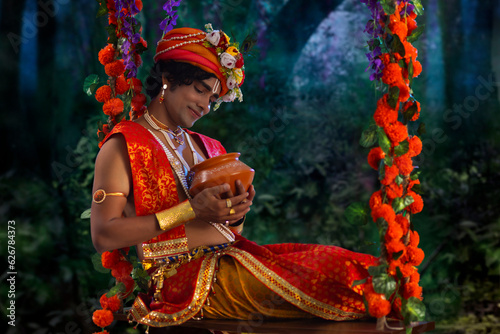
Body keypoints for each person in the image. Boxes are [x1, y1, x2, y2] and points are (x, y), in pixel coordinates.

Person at [90, 25, 378, 329]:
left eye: (213, 99)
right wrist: (191, 210)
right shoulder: (125, 144)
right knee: (344, 280)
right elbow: (103, 235)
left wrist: (237, 211)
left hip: (235, 257)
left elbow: (231, 232)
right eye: (200, 90)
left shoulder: (210, 147)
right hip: (184, 284)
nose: (205, 106)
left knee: (359, 268)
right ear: (168, 79)